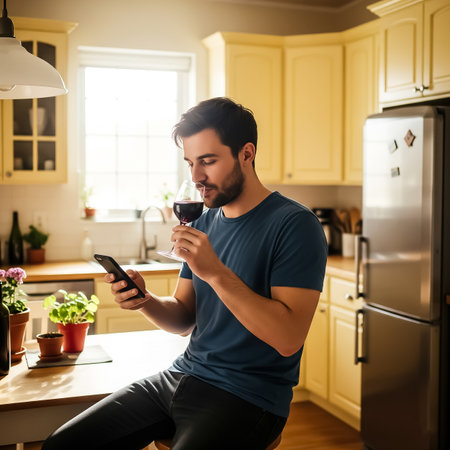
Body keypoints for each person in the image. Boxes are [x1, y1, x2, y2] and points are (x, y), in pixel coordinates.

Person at [42, 97, 327, 450]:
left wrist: (216, 273)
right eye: (190, 163)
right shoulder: (204, 221)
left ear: (246, 154)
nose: (196, 177)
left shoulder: (295, 225)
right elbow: (183, 318)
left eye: (207, 161)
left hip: (249, 397)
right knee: (61, 446)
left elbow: (288, 338)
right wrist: (144, 300)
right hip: (180, 376)